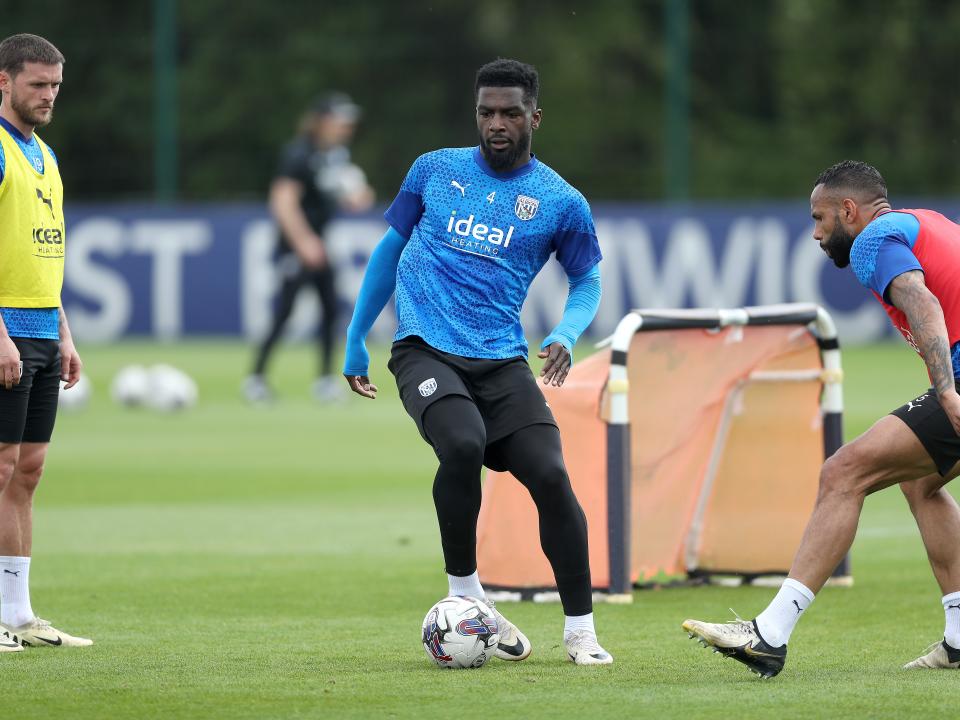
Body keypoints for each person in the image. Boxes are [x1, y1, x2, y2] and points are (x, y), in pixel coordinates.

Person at [343, 59, 611, 665]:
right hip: (424, 349)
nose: (497, 123)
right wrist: (357, 336)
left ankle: (580, 632)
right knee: (462, 445)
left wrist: (567, 331)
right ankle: (466, 596)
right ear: (476, 114)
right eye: (487, 112)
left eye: (511, 113)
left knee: (550, 474)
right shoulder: (433, 170)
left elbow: (587, 282)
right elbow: (391, 249)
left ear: (534, 117)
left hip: (501, 361)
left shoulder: (561, 201)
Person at [683, 160, 960, 677]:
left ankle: (770, 633)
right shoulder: (925, 222)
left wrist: (945, 392)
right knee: (922, 481)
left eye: (820, 218)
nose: (815, 233)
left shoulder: (873, 240)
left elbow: (922, 301)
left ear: (849, 211)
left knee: (844, 472)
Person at [0, 33, 91, 649]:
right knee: (0, 466)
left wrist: (63, 331)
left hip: (38, 328)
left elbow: (43, 252)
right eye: (37, 84)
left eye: (55, 85)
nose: (48, 95)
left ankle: (16, 614)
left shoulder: (45, 156)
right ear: (3, 81)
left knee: (27, 470)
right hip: (4, 329)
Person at [244, 93, 374, 404]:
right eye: (340, 121)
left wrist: (357, 195)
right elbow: (283, 201)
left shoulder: (336, 156)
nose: (346, 127)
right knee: (285, 312)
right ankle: (256, 379)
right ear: (322, 121)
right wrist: (304, 242)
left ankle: (326, 380)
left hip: (320, 244)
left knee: (331, 310)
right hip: (297, 245)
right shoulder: (299, 153)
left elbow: (348, 196)